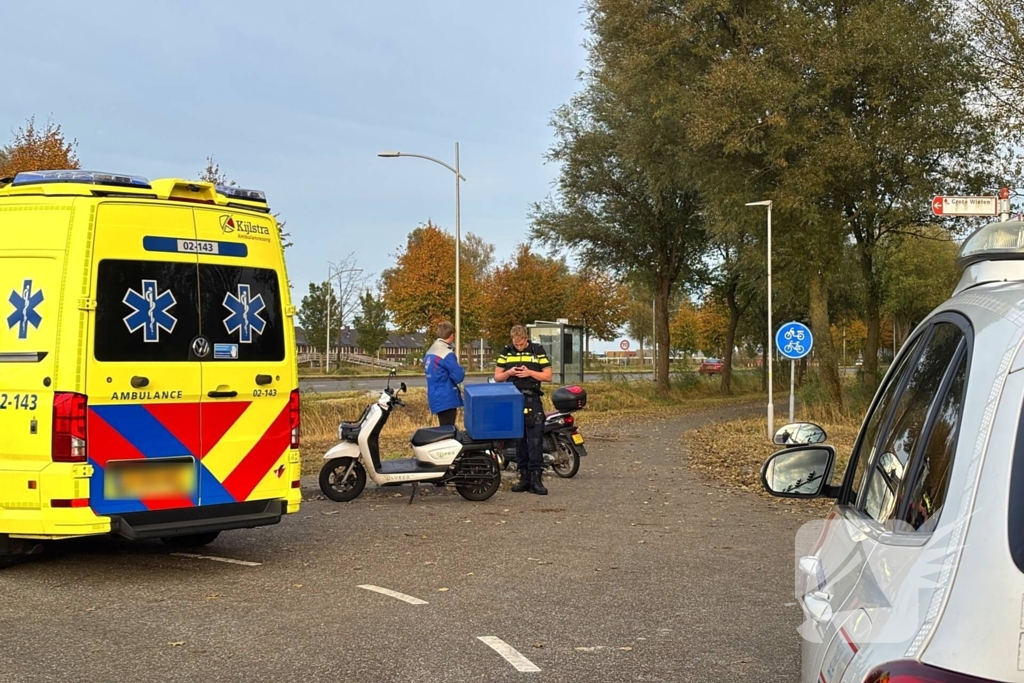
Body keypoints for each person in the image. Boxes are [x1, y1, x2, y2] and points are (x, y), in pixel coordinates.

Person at [494, 325, 553, 495]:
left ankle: (536, 479)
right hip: (513, 399)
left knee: (534, 440)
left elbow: (548, 376)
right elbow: (497, 376)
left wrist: (529, 373)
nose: (518, 346)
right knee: (519, 441)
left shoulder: (537, 350)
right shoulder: (506, 351)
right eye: (516, 344)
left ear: (526, 339)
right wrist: (509, 372)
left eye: (521, 344)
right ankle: (524, 477)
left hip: (531, 397)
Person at [424, 321, 466, 426]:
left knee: (443, 426)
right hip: (446, 397)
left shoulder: (430, 351)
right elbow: (459, 376)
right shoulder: (446, 353)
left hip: (434, 395)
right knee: (448, 430)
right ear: (451, 336)